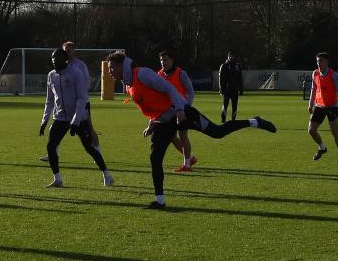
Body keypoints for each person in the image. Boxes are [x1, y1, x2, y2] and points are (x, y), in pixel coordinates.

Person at [108, 50, 275, 209]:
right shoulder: (128, 84)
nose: (109, 72)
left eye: (111, 67)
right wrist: (152, 123)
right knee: (155, 158)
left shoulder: (142, 74)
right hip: (164, 122)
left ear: (121, 66)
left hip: (182, 113)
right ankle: (160, 201)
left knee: (217, 132)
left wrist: (180, 109)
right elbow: (153, 104)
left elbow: (169, 89)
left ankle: (254, 122)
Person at [40, 47, 113, 188]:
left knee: (89, 148)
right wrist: (44, 121)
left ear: (65, 58)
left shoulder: (75, 73)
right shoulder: (51, 75)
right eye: (52, 58)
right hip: (60, 117)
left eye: (57, 57)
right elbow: (49, 100)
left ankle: (107, 174)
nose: (54, 60)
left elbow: (82, 99)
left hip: (79, 117)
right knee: (51, 147)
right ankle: (58, 179)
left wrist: (75, 121)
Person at [158, 49, 197, 173]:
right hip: (167, 111)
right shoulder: (159, 75)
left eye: (166, 60)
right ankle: (190, 158)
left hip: (181, 111)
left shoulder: (181, 73)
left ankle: (187, 164)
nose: (163, 62)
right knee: (171, 137)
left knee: (183, 135)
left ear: (172, 60)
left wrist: (186, 107)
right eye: (161, 60)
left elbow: (190, 92)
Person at [307, 52, 338, 163]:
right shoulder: (315, 73)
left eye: (321, 61)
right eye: (317, 61)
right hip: (319, 106)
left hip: (332, 107)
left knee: (334, 131)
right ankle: (322, 148)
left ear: (327, 62)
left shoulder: (333, 75)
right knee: (311, 130)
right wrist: (310, 104)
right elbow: (313, 90)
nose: (319, 63)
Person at [217, 52, 243, 121]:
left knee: (235, 106)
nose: (231, 57)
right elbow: (220, 78)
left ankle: (233, 120)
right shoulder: (224, 65)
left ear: (234, 57)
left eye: (232, 56)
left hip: (235, 89)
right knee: (225, 105)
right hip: (227, 90)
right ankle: (223, 119)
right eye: (230, 56)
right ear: (228, 57)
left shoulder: (237, 66)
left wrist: (241, 89)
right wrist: (221, 89)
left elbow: (240, 78)